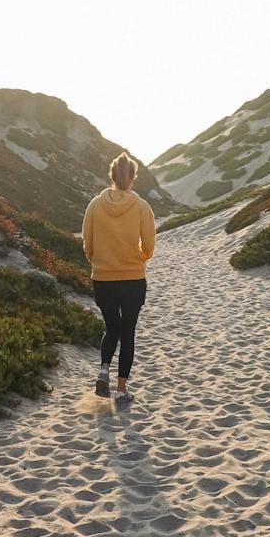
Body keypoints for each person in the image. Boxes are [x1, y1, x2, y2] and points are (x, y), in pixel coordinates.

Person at [82, 152, 155, 405]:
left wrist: (100, 262)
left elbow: (87, 244)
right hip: (133, 278)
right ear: (133, 177)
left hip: (103, 279)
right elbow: (149, 246)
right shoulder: (142, 206)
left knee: (111, 328)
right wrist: (135, 258)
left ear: (111, 175)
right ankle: (122, 390)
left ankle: (103, 370)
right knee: (128, 332)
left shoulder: (94, 205)